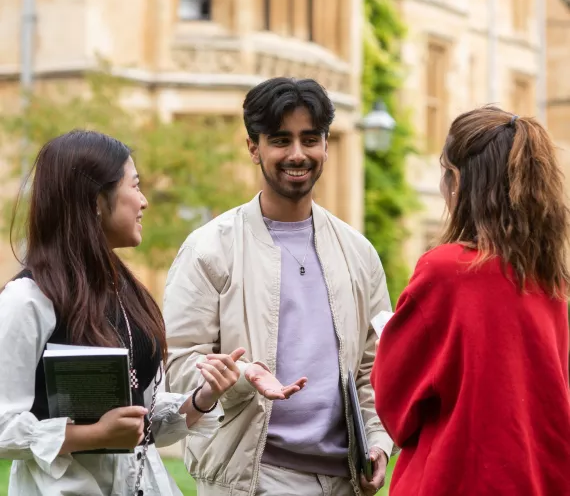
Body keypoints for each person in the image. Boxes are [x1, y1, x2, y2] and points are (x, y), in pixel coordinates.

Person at [164, 77, 394, 496]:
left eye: (310, 139)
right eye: (280, 140)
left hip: (345, 480)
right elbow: (177, 368)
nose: (297, 154)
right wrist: (240, 375)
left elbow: (374, 368)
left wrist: (377, 443)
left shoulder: (358, 253)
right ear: (253, 147)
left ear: (326, 145)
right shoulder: (209, 249)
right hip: (254, 479)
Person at [0, 130, 245, 496]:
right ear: (96, 200)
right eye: (135, 186)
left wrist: (202, 397)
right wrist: (93, 435)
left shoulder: (125, 293)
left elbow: (138, 424)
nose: (144, 201)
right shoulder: (27, 299)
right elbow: (3, 427)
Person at [371, 106, 570, 496]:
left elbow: (396, 405)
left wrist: (388, 342)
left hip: (455, 479)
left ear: (458, 180)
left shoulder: (445, 271)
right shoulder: (550, 282)